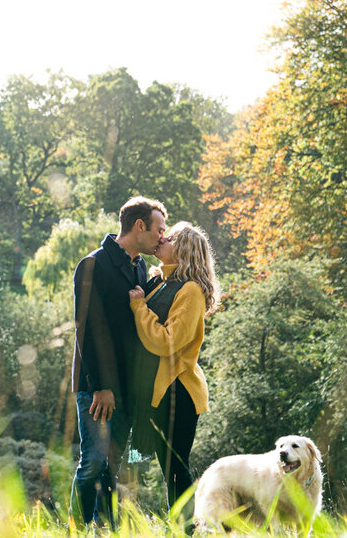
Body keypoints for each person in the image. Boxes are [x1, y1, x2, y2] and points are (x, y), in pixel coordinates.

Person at [71, 196, 167, 526]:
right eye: (159, 229)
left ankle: (106, 529)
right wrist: (101, 387)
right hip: (96, 387)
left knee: (111, 466)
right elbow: (87, 330)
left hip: (127, 389)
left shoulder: (139, 266)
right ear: (139, 226)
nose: (162, 236)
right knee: (94, 462)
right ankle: (79, 527)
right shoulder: (92, 265)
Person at [127, 221, 220, 524]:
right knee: (163, 466)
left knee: (175, 467)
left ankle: (184, 529)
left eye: (170, 238)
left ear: (183, 250)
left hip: (177, 390)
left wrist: (139, 307)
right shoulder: (159, 282)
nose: (162, 239)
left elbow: (167, 342)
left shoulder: (190, 291)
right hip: (157, 389)